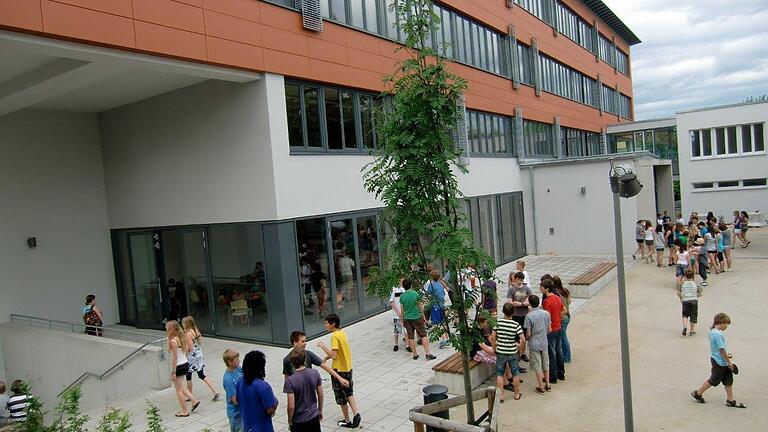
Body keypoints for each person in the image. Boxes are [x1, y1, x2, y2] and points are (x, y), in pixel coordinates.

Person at [690, 313, 746, 408]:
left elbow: (716, 348)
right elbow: (721, 349)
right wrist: (728, 361)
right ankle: (698, 393)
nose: (726, 326)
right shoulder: (718, 335)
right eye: (726, 324)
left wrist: (726, 357)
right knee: (714, 380)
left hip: (719, 359)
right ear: (721, 322)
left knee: (728, 380)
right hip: (720, 362)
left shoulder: (712, 332)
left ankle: (730, 400)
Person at [317, 314, 361, 428]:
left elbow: (334, 355)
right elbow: (338, 352)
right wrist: (327, 358)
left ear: (333, 324)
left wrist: (322, 346)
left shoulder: (334, 337)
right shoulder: (342, 333)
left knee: (341, 397)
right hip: (347, 368)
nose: (325, 325)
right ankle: (356, 414)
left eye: (327, 323)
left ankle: (347, 421)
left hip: (339, 371)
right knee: (349, 392)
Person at [283, 331, 349, 387]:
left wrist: (340, 378)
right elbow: (287, 377)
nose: (305, 343)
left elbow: (325, 366)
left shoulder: (309, 354)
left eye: (305, 341)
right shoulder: (286, 359)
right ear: (295, 342)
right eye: (303, 341)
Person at [237, 351, 279, 432]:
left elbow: (238, 400)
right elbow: (270, 410)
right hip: (262, 428)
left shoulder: (240, 381)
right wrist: (276, 401)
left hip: (247, 426)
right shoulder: (263, 386)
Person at [165, 320, 200, 417]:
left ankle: (184, 411)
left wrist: (173, 371)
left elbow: (174, 357)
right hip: (185, 363)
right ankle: (194, 400)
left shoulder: (173, 341)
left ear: (170, 329)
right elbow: (188, 349)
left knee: (178, 389)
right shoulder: (181, 337)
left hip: (179, 366)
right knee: (182, 386)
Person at [492, 303, 526, 402]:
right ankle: (516, 394)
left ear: (503, 311)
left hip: (501, 351)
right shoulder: (516, 325)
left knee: (499, 373)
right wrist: (520, 348)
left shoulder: (498, 323)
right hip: (512, 351)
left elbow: (493, 337)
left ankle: (501, 396)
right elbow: (523, 339)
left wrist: (494, 347)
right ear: (513, 312)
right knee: (515, 373)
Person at [182, 316, 220, 401]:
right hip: (199, 354)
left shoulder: (188, 334)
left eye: (183, 323)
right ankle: (214, 391)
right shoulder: (195, 331)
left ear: (186, 324)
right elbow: (199, 342)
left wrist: (184, 351)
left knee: (188, 376)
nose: (182, 325)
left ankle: (190, 395)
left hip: (192, 357)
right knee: (201, 375)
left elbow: (190, 348)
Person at [284, 349, 323, 432]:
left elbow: (291, 406)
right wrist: (320, 410)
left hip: (299, 420)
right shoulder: (315, 372)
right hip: (314, 416)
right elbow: (320, 394)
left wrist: (290, 420)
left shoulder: (290, 380)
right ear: (305, 359)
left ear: (292, 362)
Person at [399, 279, 437, 361]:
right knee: (423, 335)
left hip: (407, 319)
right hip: (417, 317)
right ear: (411, 285)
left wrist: (402, 320)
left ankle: (415, 354)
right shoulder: (415, 294)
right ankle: (427, 354)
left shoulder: (402, 297)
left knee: (410, 337)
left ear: (403, 286)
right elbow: (420, 307)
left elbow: (402, 310)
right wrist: (424, 317)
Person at [524, 295, 551, 394]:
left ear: (530, 304)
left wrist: (527, 338)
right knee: (546, 363)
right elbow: (549, 329)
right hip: (544, 341)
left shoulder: (529, 316)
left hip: (534, 343)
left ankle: (541, 386)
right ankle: (548, 384)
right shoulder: (546, 313)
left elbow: (528, 333)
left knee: (537, 365)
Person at [540, 279, 565, 384]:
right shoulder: (557, 298)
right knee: (559, 350)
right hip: (559, 327)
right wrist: (558, 318)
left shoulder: (547, 301)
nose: (540, 289)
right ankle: (561, 373)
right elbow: (563, 310)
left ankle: (553, 376)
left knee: (552, 353)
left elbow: (547, 318)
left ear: (546, 289)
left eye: (541, 287)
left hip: (552, 329)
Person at [506, 271, 532, 369]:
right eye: (519, 279)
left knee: (524, 336)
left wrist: (520, 303)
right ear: (515, 279)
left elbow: (530, 300)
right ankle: (517, 354)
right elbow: (510, 302)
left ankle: (523, 353)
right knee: (516, 336)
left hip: (525, 315)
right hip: (516, 315)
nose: (520, 281)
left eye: (522, 280)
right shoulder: (511, 289)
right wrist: (522, 303)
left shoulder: (526, 289)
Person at [425, 270, 450, 348]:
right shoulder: (440, 285)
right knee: (443, 323)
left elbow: (428, 294)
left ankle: (444, 340)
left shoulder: (431, 285)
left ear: (432, 277)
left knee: (437, 324)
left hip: (435, 306)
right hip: (442, 305)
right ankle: (448, 338)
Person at [552, 276, 572, 363]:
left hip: (562, 318)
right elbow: (570, 301)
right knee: (563, 337)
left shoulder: (557, 294)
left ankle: (567, 357)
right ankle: (565, 355)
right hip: (568, 316)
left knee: (563, 338)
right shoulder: (565, 290)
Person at [222, 349, 243, 432]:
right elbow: (235, 400)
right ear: (229, 362)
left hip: (242, 410)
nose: (239, 361)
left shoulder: (238, 369)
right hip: (235, 413)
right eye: (236, 359)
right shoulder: (228, 379)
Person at [677, 269, 702, 336]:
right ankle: (692, 330)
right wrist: (696, 295)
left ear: (685, 276)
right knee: (693, 315)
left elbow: (678, 292)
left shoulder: (682, 284)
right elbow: (700, 293)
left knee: (685, 314)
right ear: (693, 276)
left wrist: (681, 298)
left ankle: (685, 326)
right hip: (693, 300)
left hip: (685, 300)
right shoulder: (696, 284)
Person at [389, 281, 406, 351]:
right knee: (397, 330)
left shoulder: (406, 289)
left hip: (406, 314)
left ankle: (407, 345)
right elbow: (391, 302)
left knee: (406, 330)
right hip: (397, 315)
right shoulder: (395, 289)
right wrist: (399, 313)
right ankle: (396, 344)